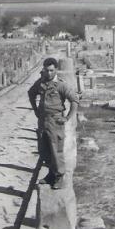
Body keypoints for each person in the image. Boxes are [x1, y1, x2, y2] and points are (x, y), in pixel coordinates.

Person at [28, 57, 78, 189]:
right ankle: (50, 175)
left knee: (56, 150)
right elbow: (31, 93)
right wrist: (35, 110)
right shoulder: (41, 82)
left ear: (56, 70)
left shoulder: (61, 85)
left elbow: (74, 101)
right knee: (44, 150)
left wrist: (67, 118)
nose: (49, 73)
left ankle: (59, 177)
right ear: (43, 70)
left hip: (55, 121)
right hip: (43, 121)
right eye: (46, 70)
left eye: (51, 70)